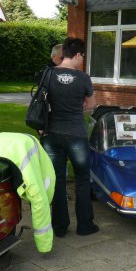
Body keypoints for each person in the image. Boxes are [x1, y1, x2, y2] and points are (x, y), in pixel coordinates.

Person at [41, 37, 98, 237]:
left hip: (52, 134)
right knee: (82, 178)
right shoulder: (83, 78)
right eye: (83, 56)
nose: (83, 60)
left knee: (57, 180)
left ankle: (59, 227)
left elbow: (41, 102)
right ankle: (85, 225)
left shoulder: (47, 74)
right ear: (78, 55)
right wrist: (76, 106)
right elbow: (91, 104)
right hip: (76, 135)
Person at [0, 132, 55, 254]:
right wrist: (45, 246)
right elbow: (41, 199)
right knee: (38, 197)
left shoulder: (28, 152)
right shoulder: (31, 156)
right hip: (7, 151)